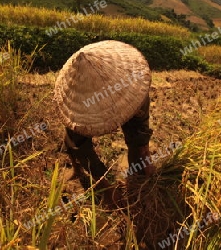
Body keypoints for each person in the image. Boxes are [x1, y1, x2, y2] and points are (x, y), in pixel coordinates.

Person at [53, 40, 155, 207]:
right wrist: (106, 189)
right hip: (82, 93)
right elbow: (83, 150)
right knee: (73, 144)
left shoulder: (136, 91)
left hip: (114, 69)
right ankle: (76, 170)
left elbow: (139, 133)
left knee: (137, 149)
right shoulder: (76, 108)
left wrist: (144, 155)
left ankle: (135, 176)